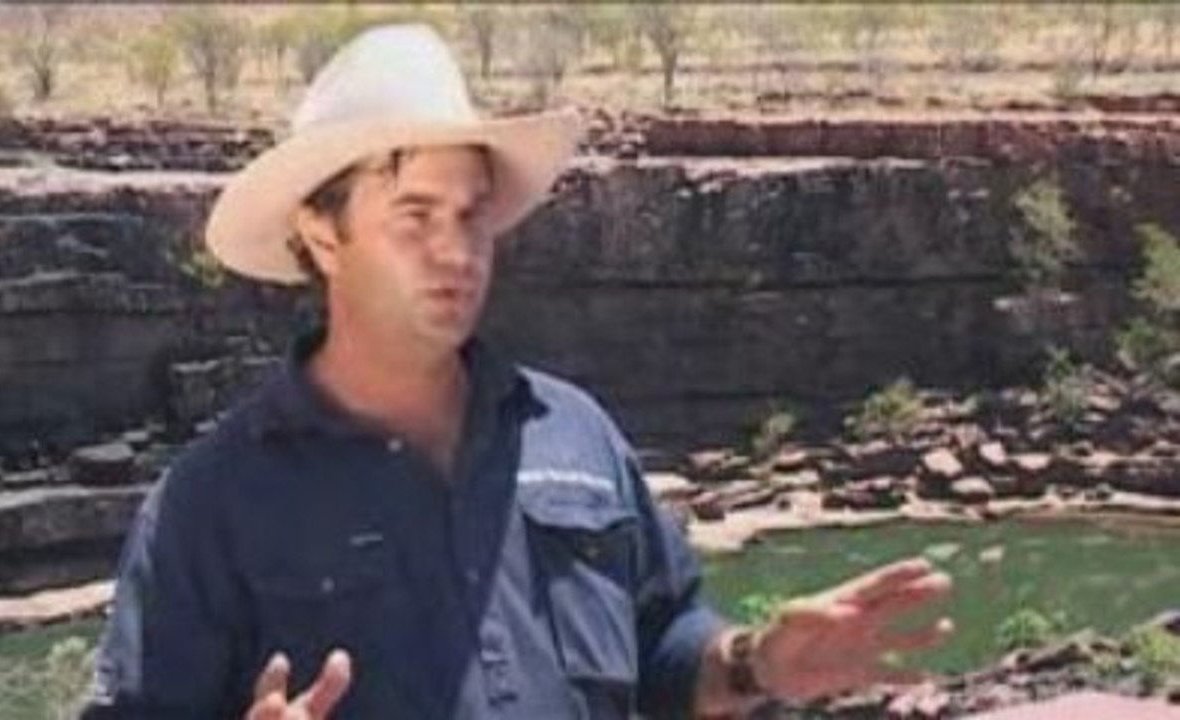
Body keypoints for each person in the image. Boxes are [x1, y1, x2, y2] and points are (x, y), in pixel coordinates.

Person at [79, 24, 953, 720]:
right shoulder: (213, 503)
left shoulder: (574, 434)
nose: (457, 251)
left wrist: (754, 661)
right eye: (414, 215)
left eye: (471, 214)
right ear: (319, 232)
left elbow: (664, 644)